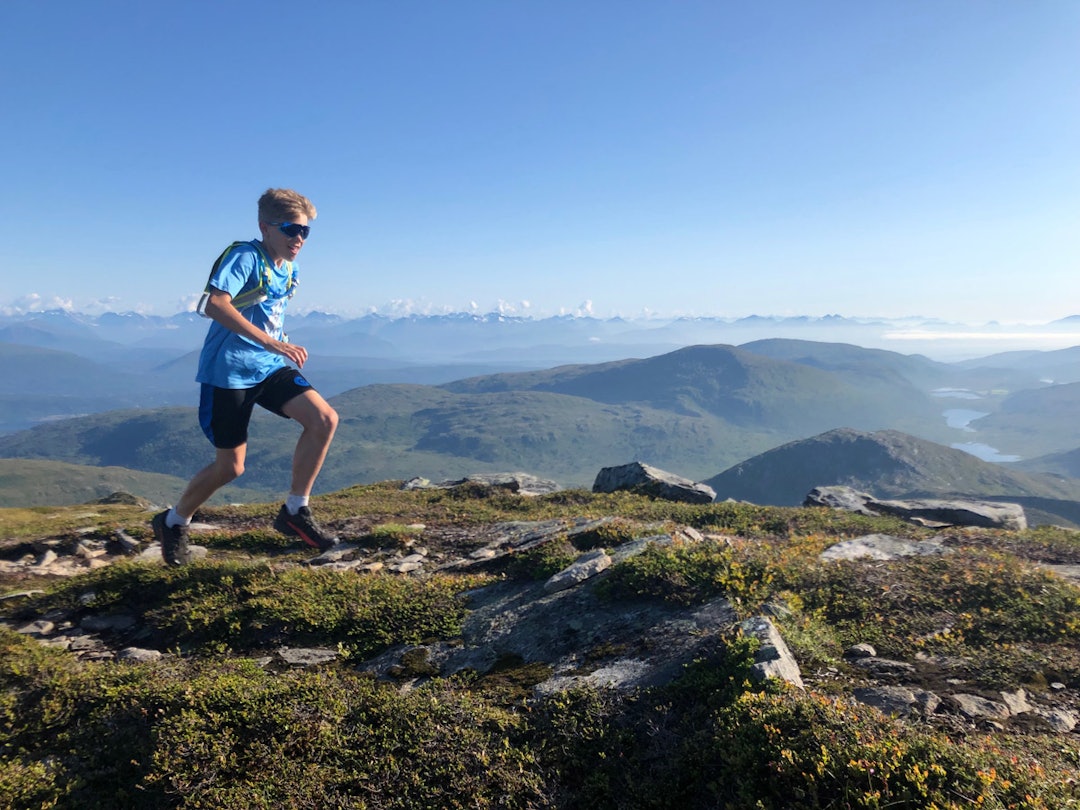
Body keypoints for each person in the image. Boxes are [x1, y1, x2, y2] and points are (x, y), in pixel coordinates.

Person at [152, 188, 340, 565]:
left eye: (305, 232)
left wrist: (277, 343)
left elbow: (267, 312)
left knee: (324, 419)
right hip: (229, 373)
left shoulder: (289, 268)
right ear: (265, 227)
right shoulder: (244, 256)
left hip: (268, 366)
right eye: (290, 229)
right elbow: (214, 304)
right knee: (231, 467)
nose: (299, 239)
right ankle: (173, 522)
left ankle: (295, 511)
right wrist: (272, 342)